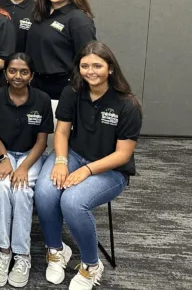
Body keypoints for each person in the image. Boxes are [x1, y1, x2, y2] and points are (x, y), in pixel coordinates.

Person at [35, 42, 141, 290]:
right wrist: (61, 161)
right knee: (44, 192)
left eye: (97, 65)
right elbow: (61, 132)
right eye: (84, 66)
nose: (90, 71)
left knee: (72, 202)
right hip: (73, 154)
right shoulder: (72, 92)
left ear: (110, 68)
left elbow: (123, 154)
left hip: (111, 169)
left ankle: (91, 265)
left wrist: (86, 170)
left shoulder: (127, 105)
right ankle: (56, 250)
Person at [0, 53, 53, 288]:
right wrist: (4, 159)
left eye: (24, 71)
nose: (18, 76)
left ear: (32, 75)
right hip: (2, 151)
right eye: (13, 71)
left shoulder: (42, 100)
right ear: (5, 74)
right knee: (0, 185)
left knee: (22, 190)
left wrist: (23, 167)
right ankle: (4, 250)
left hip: (30, 155)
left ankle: (22, 255)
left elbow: (42, 142)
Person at [27, 0, 96, 108]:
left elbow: (89, 59)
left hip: (63, 88)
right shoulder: (40, 14)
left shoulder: (78, 19)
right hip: (36, 86)